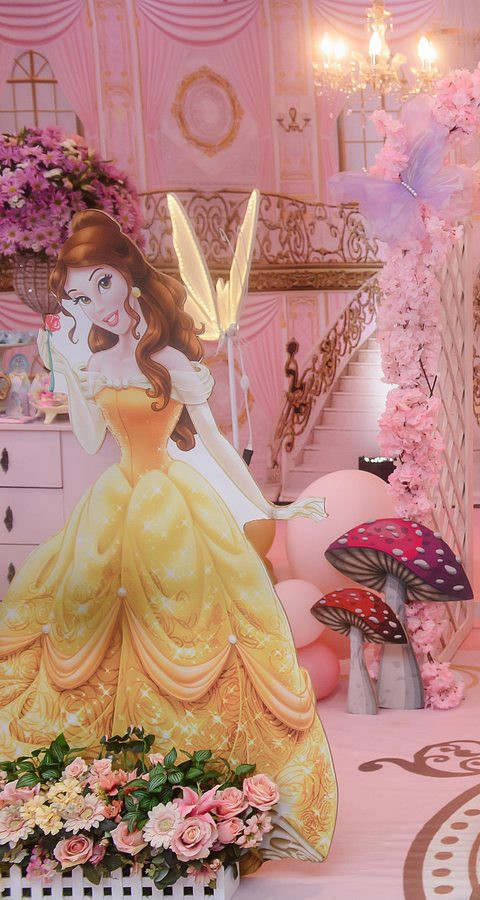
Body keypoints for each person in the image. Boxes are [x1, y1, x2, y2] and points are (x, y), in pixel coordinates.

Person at [0, 210, 336, 861]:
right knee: (91, 637)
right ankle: (109, 796)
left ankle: (198, 792)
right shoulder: (96, 359)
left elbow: (214, 444)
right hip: (114, 508)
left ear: (127, 273)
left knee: (193, 635)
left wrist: (271, 505)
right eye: (80, 296)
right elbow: (92, 440)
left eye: (102, 283)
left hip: (172, 509)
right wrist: (70, 369)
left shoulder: (171, 359)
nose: (97, 303)